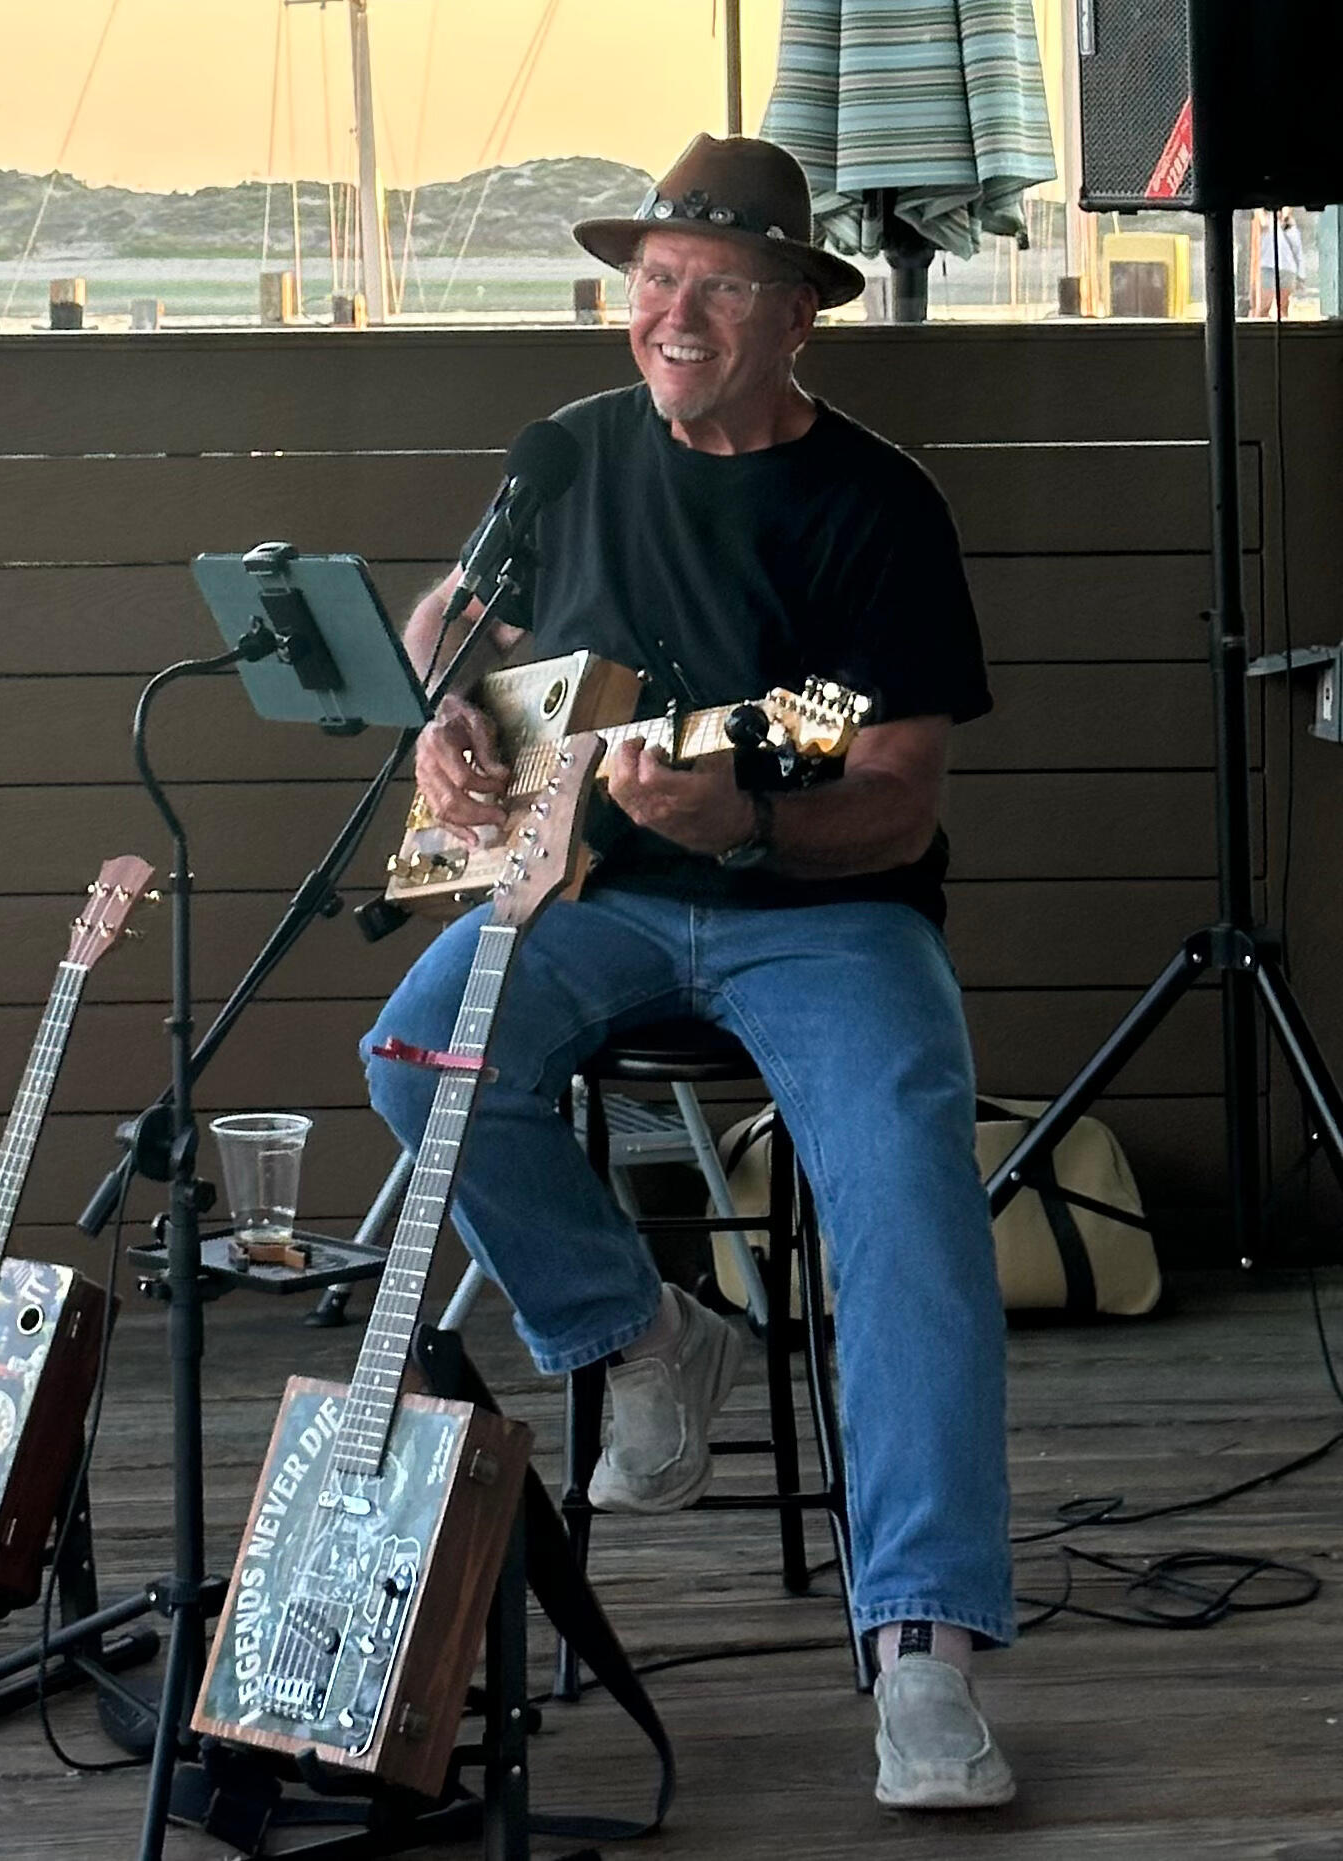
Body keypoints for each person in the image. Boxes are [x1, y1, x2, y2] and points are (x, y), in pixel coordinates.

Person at [362, 134, 1015, 1811]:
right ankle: (642, 1330)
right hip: (593, 890)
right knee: (414, 1052)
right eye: (654, 276)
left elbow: (891, 798)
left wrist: (747, 818)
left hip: (825, 914)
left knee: (910, 1208)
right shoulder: (567, 457)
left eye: (718, 284)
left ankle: (924, 1650)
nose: (674, 310)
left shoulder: (880, 511)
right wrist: (444, 721)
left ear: (799, 312)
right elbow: (449, 620)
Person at [1258, 207, 1303, 318]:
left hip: (1287, 268)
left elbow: (1297, 248)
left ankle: (1284, 332)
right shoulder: (1262, 222)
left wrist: (1301, 273)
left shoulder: (1288, 224)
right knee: (1264, 306)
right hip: (1266, 267)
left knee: (1283, 308)